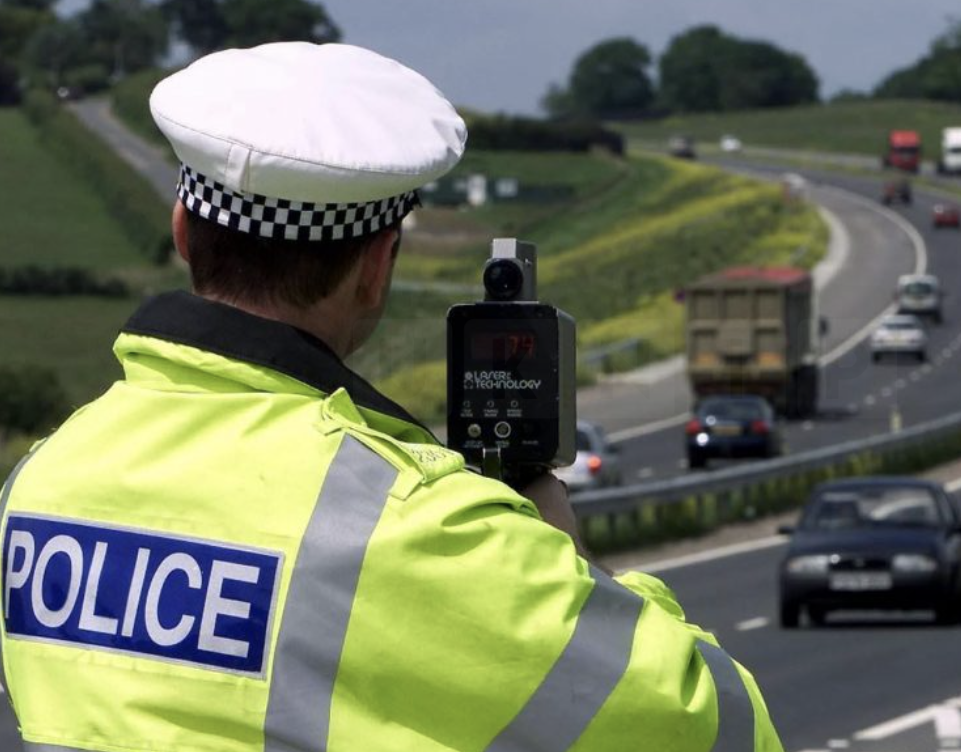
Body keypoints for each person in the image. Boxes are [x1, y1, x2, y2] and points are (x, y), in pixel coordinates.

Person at [0, 43, 782, 752]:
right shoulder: (413, 526)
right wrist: (571, 566)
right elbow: (717, 730)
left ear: (181, 228)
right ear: (377, 265)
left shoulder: (38, 484)